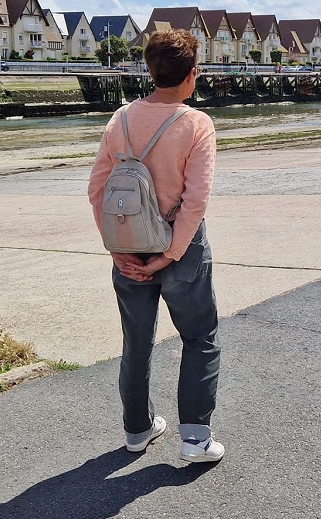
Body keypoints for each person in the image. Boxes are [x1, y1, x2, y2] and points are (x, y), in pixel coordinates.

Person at [88, 29, 224, 463]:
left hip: (128, 244)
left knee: (137, 341)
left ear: (149, 69)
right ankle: (195, 440)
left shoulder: (120, 119)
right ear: (193, 74)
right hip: (178, 248)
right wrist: (169, 254)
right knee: (199, 338)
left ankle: (137, 428)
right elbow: (195, 200)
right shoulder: (196, 123)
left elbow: (97, 190)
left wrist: (117, 250)